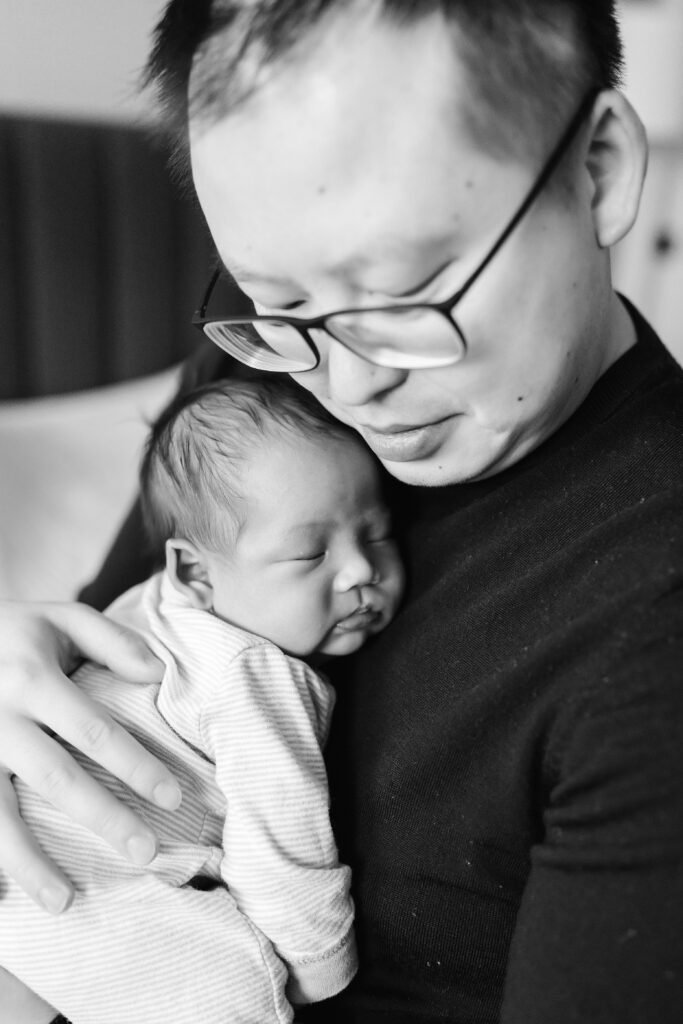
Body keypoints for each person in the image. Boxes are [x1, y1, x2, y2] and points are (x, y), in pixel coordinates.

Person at [1, 1, 682, 1021]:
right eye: (278, 306)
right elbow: (117, 663)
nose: (346, 384)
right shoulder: (262, 377)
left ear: (595, 169)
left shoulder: (651, 614)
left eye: (402, 296)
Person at [0, 377, 404, 1024]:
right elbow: (281, 841)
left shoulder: (148, 606)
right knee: (235, 996)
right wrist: (320, 972)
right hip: (76, 877)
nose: (360, 570)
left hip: (25, 883)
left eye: (377, 533)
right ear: (195, 570)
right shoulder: (252, 670)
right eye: (311, 553)